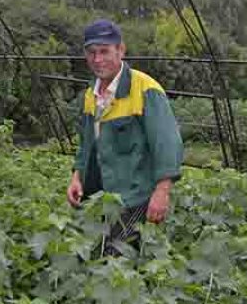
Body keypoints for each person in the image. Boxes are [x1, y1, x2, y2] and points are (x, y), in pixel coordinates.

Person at [66, 18, 184, 256]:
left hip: (134, 197)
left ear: (121, 50)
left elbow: (167, 143)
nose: (97, 60)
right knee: (89, 255)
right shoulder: (91, 93)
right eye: (91, 53)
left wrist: (162, 192)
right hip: (100, 196)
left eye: (104, 51)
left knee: (115, 259)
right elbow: (87, 143)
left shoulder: (145, 89)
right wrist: (77, 177)